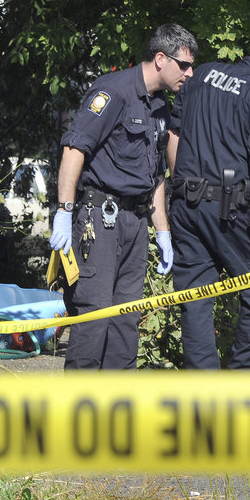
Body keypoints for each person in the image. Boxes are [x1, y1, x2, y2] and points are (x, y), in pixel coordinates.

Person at [49, 23, 198, 370]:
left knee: (125, 322)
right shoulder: (112, 92)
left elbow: (156, 176)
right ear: (161, 59)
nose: (189, 73)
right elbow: (74, 150)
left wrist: (162, 232)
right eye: (184, 65)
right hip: (99, 219)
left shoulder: (160, 107)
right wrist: (64, 210)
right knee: (94, 316)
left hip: (135, 222)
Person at [167, 37, 250, 370]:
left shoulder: (204, 74)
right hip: (228, 209)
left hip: (184, 205)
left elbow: (174, 134)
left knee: (194, 297)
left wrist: (179, 181)